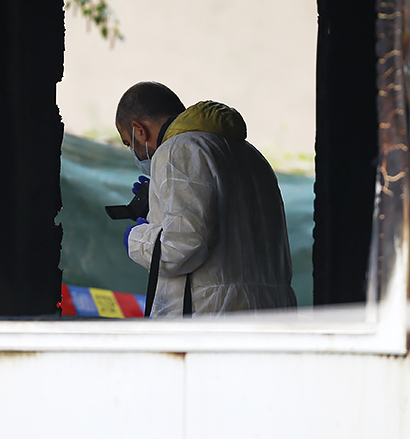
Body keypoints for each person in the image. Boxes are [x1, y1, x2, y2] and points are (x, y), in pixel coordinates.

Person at [116, 81, 296, 317]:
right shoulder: (251, 155)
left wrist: (138, 237)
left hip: (211, 319)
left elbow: (179, 247)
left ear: (140, 129)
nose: (135, 152)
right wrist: (159, 209)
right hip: (269, 314)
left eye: (130, 142)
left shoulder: (177, 149)